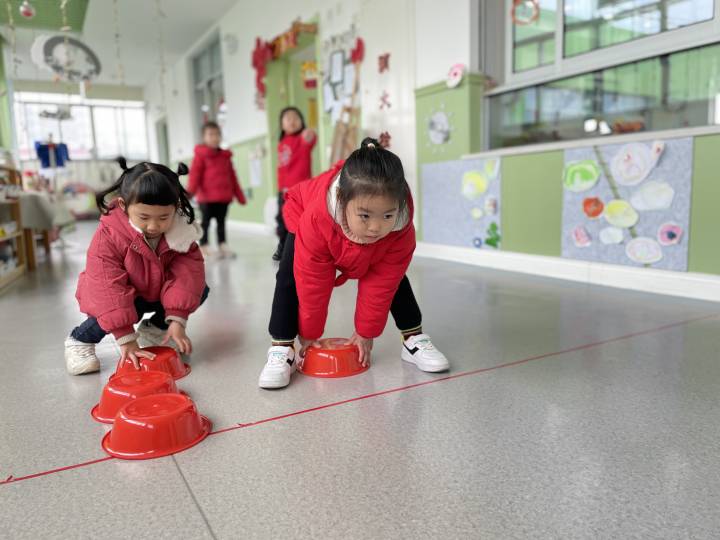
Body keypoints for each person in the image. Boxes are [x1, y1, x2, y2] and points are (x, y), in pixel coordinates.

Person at [259, 138, 449, 389]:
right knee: (290, 275)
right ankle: (282, 349)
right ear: (341, 198)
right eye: (365, 215)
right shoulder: (316, 218)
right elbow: (314, 280)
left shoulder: (400, 230)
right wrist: (310, 333)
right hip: (303, 212)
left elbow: (381, 283)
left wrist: (365, 332)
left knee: (393, 279)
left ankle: (413, 339)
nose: (375, 227)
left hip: (347, 230)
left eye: (388, 215)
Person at [64, 158, 208, 375]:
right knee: (108, 313)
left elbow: (187, 277)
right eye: (144, 217)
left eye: (163, 217)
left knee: (199, 289)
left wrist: (177, 320)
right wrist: (127, 339)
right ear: (123, 205)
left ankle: (155, 329)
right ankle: (79, 341)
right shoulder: (109, 235)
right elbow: (106, 288)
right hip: (121, 295)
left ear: (176, 207)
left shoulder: (182, 233)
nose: (153, 226)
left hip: (156, 291)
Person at [188, 121, 246, 259]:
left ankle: (222, 244)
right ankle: (204, 245)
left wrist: (240, 195)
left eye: (217, 134)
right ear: (204, 137)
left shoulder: (225, 157)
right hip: (206, 198)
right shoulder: (200, 156)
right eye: (210, 134)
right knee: (206, 224)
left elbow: (233, 177)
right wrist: (190, 192)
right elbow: (195, 175)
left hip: (224, 197)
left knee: (221, 223)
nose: (214, 137)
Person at [274, 106, 316, 261]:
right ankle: (283, 247)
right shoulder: (282, 143)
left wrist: (309, 134)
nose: (292, 121)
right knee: (282, 221)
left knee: (301, 221)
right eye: (288, 118)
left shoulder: (302, 140)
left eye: (296, 118)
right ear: (282, 125)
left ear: (302, 122)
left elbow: (309, 139)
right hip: (284, 191)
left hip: (302, 192)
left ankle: (300, 249)